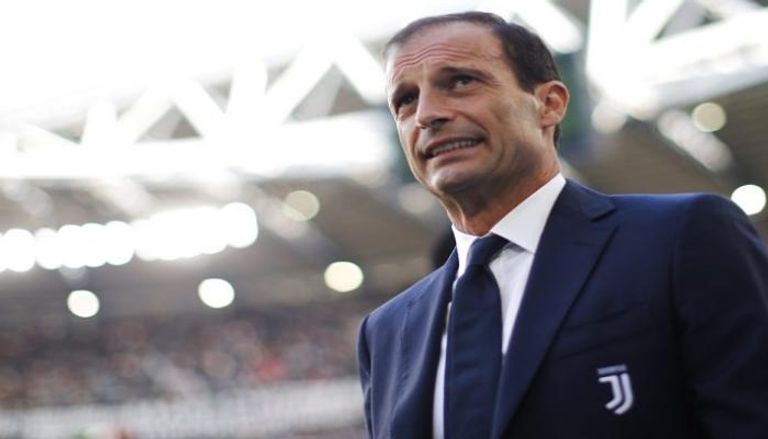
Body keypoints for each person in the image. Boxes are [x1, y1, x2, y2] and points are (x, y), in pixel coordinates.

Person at [356, 11, 768, 439]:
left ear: (550, 104)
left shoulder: (680, 238)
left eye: (461, 81)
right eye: (405, 100)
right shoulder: (385, 331)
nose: (426, 114)